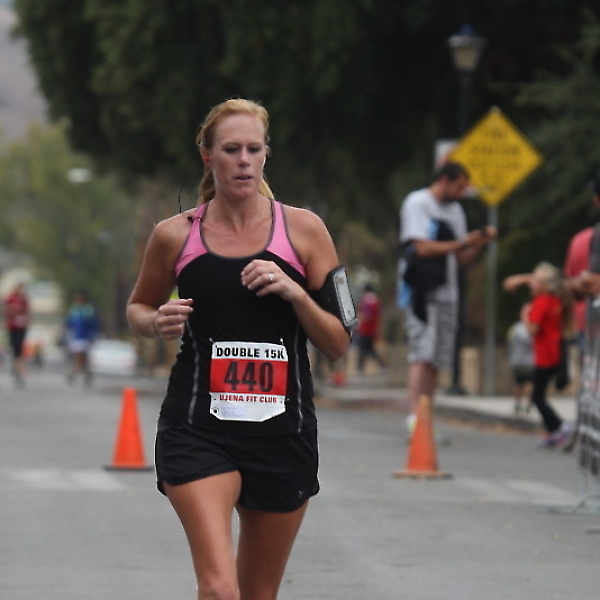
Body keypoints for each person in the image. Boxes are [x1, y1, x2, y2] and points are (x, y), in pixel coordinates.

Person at [126, 98, 351, 600]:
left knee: (257, 594)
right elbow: (138, 307)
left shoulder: (305, 230)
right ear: (208, 156)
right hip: (197, 428)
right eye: (231, 150)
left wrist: (295, 293)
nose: (244, 160)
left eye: (253, 149)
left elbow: (338, 341)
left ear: (267, 153)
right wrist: (155, 321)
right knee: (220, 589)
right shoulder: (175, 235)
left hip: (283, 431)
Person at [398, 161, 497, 433]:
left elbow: (461, 257)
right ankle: (414, 416)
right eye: (458, 186)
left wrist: (477, 244)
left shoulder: (455, 211)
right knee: (422, 353)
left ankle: (426, 416)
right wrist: (463, 241)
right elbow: (421, 247)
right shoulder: (418, 203)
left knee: (436, 358)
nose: (461, 193)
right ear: (444, 180)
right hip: (422, 291)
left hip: (448, 292)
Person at [503, 262, 573, 447]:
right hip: (555, 352)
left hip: (545, 356)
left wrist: (525, 314)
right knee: (538, 395)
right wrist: (523, 280)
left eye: (534, 282)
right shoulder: (555, 300)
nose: (531, 284)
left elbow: (532, 329)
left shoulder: (541, 302)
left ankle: (560, 426)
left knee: (537, 396)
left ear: (543, 284)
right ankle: (554, 430)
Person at [64, 290, 98, 385]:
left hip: (84, 337)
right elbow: (69, 322)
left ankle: (73, 373)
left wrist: (91, 336)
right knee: (81, 358)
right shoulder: (74, 309)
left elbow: (93, 324)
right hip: (76, 337)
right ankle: (86, 374)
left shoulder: (88, 310)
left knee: (81, 357)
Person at [506, 303, 534, 414]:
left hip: (517, 360)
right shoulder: (531, 328)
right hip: (529, 360)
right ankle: (527, 404)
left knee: (519, 383)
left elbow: (510, 341)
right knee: (529, 383)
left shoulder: (514, 328)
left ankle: (518, 404)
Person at [3, 282, 30, 386]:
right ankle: (18, 369)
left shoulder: (24, 299)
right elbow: (4, 310)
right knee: (15, 349)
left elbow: (28, 312)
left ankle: (18, 369)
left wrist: (28, 322)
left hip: (21, 327)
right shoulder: (10, 298)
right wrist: (12, 309)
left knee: (19, 349)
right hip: (12, 327)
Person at [356, 283, 386, 373]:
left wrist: (359, 319)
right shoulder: (376, 301)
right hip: (373, 329)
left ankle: (360, 369)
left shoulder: (368, 301)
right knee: (368, 349)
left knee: (363, 349)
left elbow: (367, 315)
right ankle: (382, 365)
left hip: (366, 329)